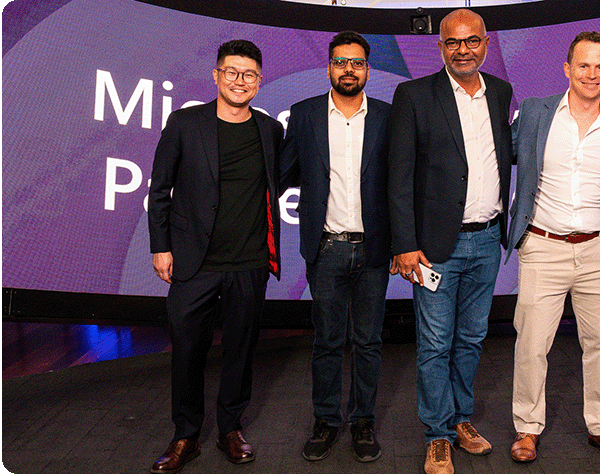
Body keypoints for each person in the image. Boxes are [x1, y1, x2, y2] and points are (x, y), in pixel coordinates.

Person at [147, 39, 283, 474]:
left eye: (249, 74)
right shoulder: (185, 122)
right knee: (187, 350)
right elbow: (159, 190)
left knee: (241, 351)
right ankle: (185, 434)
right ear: (216, 75)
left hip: (249, 263)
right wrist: (160, 245)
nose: (239, 81)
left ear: (259, 83)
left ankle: (230, 428)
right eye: (231, 72)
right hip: (193, 262)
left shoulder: (270, 130)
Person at [387, 8, 512, 474]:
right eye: (453, 42)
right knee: (436, 342)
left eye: (472, 41)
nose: (463, 49)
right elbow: (397, 178)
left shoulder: (500, 93)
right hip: (434, 247)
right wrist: (405, 243)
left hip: (485, 243)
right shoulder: (414, 95)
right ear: (441, 47)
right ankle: (436, 434)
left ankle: (460, 420)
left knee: (472, 339)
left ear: (485, 43)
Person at [507, 31, 600, 464]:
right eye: (583, 65)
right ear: (567, 69)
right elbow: (493, 156)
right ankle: (527, 429)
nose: (593, 74)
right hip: (543, 247)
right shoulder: (534, 112)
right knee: (531, 344)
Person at [278, 31, 391, 463]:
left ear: (367, 70)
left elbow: (398, 184)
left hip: (374, 251)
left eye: (357, 63)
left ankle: (363, 422)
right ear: (329, 67)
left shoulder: (386, 115)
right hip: (325, 250)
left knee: (368, 341)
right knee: (326, 341)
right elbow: (282, 172)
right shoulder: (304, 114)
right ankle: (326, 420)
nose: (349, 69)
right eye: (341, 62)